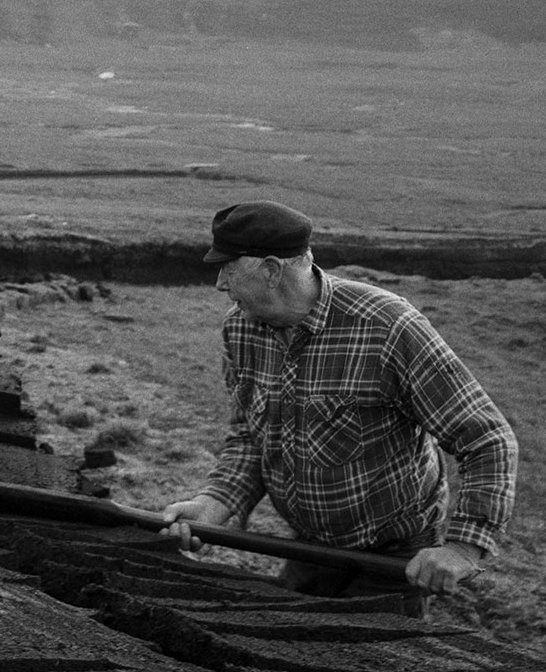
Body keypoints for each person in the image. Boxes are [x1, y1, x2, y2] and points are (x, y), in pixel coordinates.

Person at [156, 200, 519, 613]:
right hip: (310, 547)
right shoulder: (240, 328)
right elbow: (250, 436)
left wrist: (464, 547)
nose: (220, 283)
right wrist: (216, 503)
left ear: (272, 270)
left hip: (390, 557)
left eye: (228, 269)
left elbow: (487, 437)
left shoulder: (387, 328)